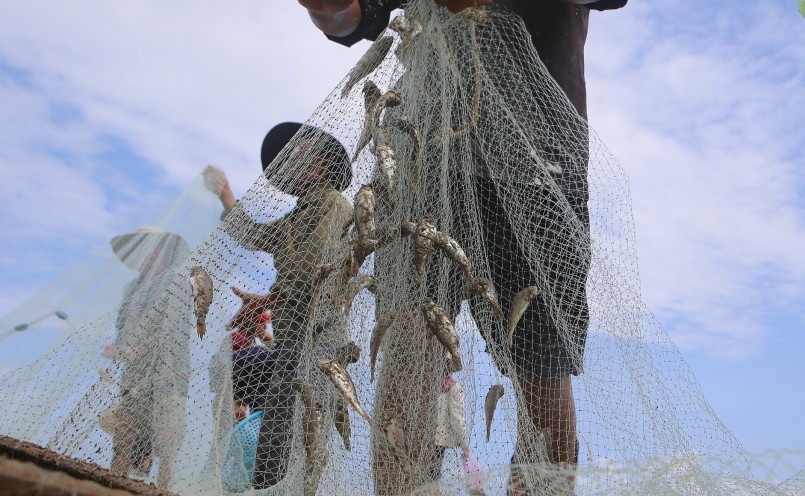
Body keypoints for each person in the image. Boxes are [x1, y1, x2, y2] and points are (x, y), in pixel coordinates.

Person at [297, 0, 627, 493]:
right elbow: (355, 16)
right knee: (408, 343)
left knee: (541, 364)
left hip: (538, 168)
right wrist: (331, 9)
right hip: (421, 159)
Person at [203, 122, 353, 489]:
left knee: (305, 438)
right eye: (293, 156)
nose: (298, 161)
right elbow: (256, 234)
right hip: (290, 340)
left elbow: (315, 266)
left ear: (324, 164)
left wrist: (267, 300)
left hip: (320, 339)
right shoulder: (296, 214)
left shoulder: (334, 204)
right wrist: (226, 195)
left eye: (307, 154)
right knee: (275, 442)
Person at [102, 226, 191, 489]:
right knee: (125, 433)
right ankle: (115, 487)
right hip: (133, 377)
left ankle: (162, 491)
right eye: (145, 248)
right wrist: (118, 349)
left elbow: (174, 330)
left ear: (166, 251)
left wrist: (136, 350)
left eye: (155, 248)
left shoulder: (177, 283)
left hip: (169, 374)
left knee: (166, 441)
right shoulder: (131, 288)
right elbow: (123, 329)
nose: (150, 254)